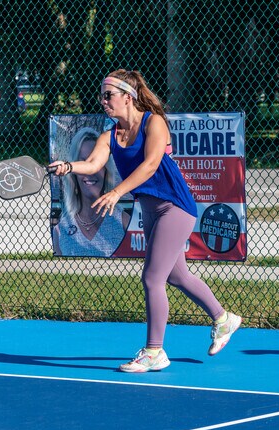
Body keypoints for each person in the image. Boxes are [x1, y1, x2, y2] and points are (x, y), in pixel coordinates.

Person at [50, 69, 241, 373]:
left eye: (108, 95)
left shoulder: (155, 123)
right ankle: (223, 318)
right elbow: (93, 163)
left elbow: (151, 165)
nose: (103, 101)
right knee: (176, 276)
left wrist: (116, 191)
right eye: (102, 95)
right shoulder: (110, 135)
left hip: (175, 207)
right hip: (151, 210)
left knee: (152, 278)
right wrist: (69, 165)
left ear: (128, 96)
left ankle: (155, 351)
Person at [52, 127, 130, 257]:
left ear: (106, 170)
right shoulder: (61, 229)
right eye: (84, 163)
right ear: (74, 173)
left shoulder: (123, 222)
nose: (91, 171)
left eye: (97, 164)